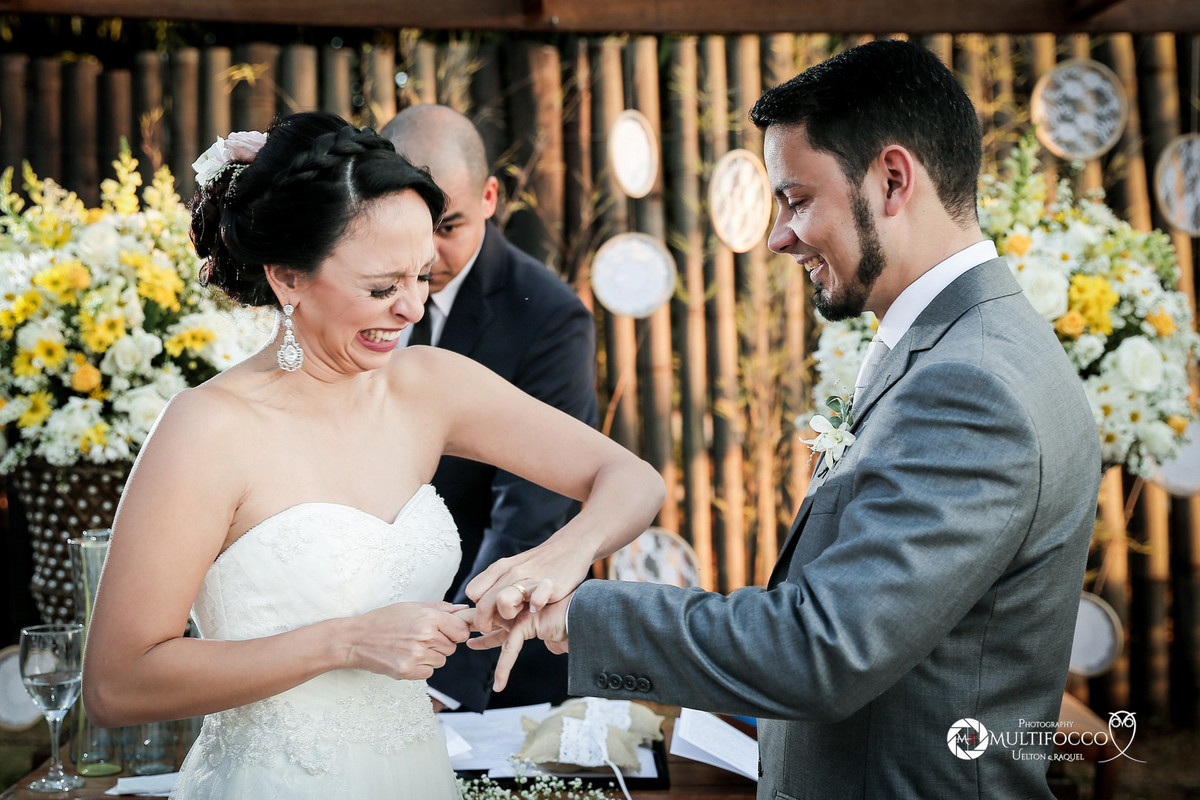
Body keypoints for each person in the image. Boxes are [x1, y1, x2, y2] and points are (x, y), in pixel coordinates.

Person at [475, 40, 1102, 799]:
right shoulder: (969, 343)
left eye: (797, 199)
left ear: (893, 179)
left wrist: (583, 614)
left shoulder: (969, 384)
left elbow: (826, 649)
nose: (778, 236)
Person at [81, 111, 663, 800]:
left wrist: (558, 557)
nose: (412, 308)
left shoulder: (431, 386)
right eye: (383, 287)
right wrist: (346, 643)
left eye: (423, 277)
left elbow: (632, 479)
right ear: (289, 279)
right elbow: (115, 685)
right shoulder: (204, 430)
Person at [379, 104, 597, 711]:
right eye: (411, 226)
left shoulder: (549, 319)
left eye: (447, 228)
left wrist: (444, 676)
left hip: (490, 660)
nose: (426, 256)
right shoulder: (355, 293)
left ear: (490, 197)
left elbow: (528, 512)